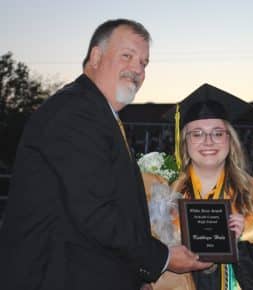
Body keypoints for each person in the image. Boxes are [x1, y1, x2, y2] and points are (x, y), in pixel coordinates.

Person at [0, 19, 211, 290]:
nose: (137, 69)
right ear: (96, 56)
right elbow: (95, 213)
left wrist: (134, 277)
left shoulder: (98, 114)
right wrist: (164, 258)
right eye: (127, 56)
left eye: (144, 63)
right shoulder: (76, 112)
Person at [163, 83, 253, 290]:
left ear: (230, 140)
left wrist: (239, 248)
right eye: (197, 134)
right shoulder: (163, 201)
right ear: (185, 143)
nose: (208, 141)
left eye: (218, 133)